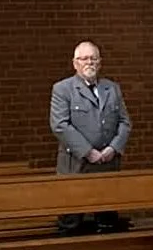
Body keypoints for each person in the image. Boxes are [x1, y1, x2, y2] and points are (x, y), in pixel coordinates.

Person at [48, 42, 132, 233]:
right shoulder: (63, 89)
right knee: (71, 222)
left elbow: (125, 122)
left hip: (108, 165)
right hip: (76, 166)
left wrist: (113, 148)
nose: (89, 62)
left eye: (93, 58)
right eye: (84, 59)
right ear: (75, 63)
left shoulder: (112, 88)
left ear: (100, 62)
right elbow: (60, 125)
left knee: (108, 222)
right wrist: (88, 152)